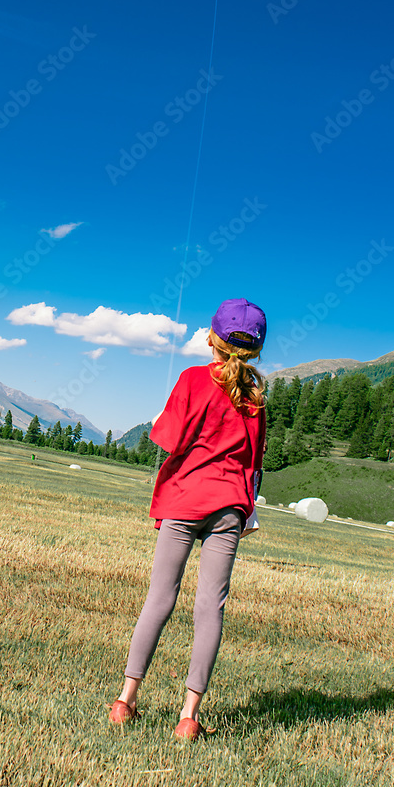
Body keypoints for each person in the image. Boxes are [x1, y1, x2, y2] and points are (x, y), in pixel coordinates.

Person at [109, 298, 267, 741]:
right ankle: (189, 717)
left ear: (212, 338)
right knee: (209, 609)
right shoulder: (256, 399)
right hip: (230, 507)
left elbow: (167, 438)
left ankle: (125, 701)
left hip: (184, 500)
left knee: (160, 596)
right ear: (254, 350)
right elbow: (254, 465)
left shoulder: (192, 379)